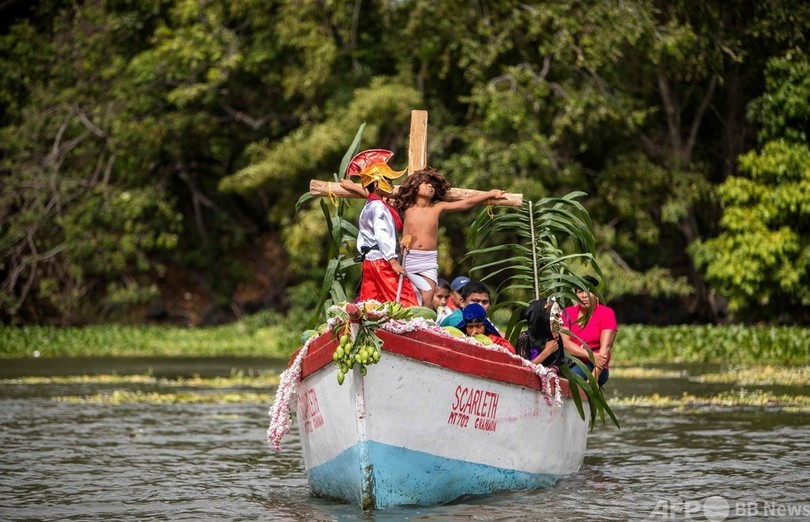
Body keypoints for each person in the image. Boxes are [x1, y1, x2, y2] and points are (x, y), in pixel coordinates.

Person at [392, 167, 506, 306]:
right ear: (415, 186)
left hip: (428, 260)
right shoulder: (406, 206)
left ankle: (421, 326)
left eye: (433, 185)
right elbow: (378, 197)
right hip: (408, 258)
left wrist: (489, 194)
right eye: (426, 183)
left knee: (426, 302)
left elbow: (465, 203)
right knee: (406, 300)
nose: (430, 186)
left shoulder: (437, 207)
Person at [343, 149, 419, 306]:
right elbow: (382, 235)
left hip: (371, 261)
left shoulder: (371, 205)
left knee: (372, 304)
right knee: (406, 301)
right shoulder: (378, 207)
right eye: (389, 181)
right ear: (377, 184)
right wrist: (393, 262)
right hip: (382, 261)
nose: (392, 185)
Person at [561, 275, 617, 386]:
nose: (584, 296)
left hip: (595, 366)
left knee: (570, 378)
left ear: (596, 294)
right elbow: (565, 343)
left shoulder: (606, 313)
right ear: (575, 294)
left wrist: (594, 378)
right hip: (569, 361)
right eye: (580, 292)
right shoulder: (568, 312)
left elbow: (605, 349)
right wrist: (591, 355)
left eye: (588, 291)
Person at [515, 298, 566, 373]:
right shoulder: (524, 338)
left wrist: (553, 370)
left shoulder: (556, 338)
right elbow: (522, 370)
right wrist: (547, 352)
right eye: (556, 316)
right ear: (543, 318)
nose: (562, 322)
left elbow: (558, 364)